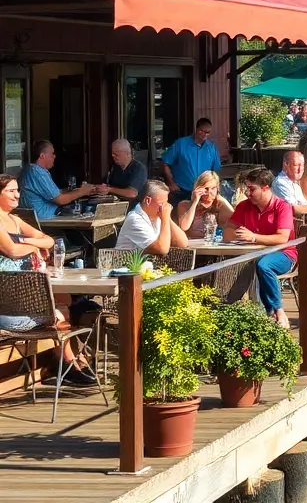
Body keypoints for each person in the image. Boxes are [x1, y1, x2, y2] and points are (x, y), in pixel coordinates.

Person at [0, 173, 96, 385]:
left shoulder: (14, 220)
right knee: (61, 312)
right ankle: (67, 364)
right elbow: (13, 250)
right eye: (11, 191)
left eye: (17, 190)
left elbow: (49, 240)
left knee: (64, 300)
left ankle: (69, 362)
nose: (17, 195)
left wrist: (29, 241)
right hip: (8, 309)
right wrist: (33, 246)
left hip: (26, 297)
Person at [226, 167, 296, 328]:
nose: (248, 194)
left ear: (265, 187)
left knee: (264, 265)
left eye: (251, 189)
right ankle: (244, 309)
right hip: (252, 254)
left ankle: (277, 311)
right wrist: (239, 234)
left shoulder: (282, 207)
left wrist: (253, 237)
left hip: (284, 254)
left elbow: (282, 238)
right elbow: (227, 233)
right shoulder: (244, 206)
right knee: (240, 263)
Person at [18, 140, 94, 220]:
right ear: (42, 156)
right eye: (52, 154)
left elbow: (54, 193)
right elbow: (60, 200)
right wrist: (83, 191)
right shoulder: (37, 172)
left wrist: (77, 190)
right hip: (45, 218)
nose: (54, 156)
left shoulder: (30, 169)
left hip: (40, 216)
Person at [114, 180, 188, 255]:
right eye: (162, 203)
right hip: (126, 264)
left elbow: (183, 244)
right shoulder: (135, 219)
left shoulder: (159, 217)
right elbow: (162, 249)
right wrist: (165, 219)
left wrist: (168, 218)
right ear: (148, 200)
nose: (164, 207)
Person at [161, 118, 221, 206]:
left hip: (203, 192)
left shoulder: (211, 148)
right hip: (181, 190)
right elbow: (165, 163)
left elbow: (215, 172)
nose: (204, 134)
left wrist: (214, 190)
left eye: (207, 132)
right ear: (196, 129)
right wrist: (171, 183)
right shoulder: (181, 144)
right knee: (179, 218)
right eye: (202, 131)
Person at [175, 170, 234, 239]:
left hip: (213, 243)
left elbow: (236, 221)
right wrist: (195, 201)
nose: (209, 192)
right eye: (206, 188)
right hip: (193, 243)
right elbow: (184, 226)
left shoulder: (220, 205)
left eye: (213, 188)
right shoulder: (184, 205)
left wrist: (220, 197)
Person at [94, 138, 148, 211]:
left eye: (116, 153)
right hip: (115, 208)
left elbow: (132, 193)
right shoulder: (115, 168)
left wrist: (109, 189)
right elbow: (108, 185)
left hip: (134, 209)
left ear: (127, 153)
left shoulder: (138, 168)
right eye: (112, 153)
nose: (113, 156)